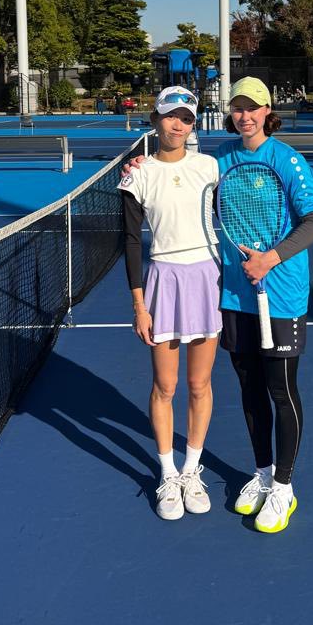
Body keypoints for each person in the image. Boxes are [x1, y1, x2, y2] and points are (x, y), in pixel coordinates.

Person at [217, 77, 313, 534]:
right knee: (249, 387)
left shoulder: (287, 159)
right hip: (235, 294)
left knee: (280, 390)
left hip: (280, 294)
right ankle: (262, 473)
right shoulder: (221, 159)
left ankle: (283, 486)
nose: (245, 116)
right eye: (237, 108)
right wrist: (143, 165)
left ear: (267, 112)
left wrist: (270, 258)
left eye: (253, 108)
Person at [119, 87, 221, 522]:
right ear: (155, 120)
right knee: (166, 385)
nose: (178, 125)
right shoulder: (137, 175)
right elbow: (130, 242)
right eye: (170, 116)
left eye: (187, 118)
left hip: (207, 278)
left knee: (199, 384)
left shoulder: (210, 167)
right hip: (163, 280)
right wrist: (139, 305)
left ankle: (192, 470)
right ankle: (168, 474)